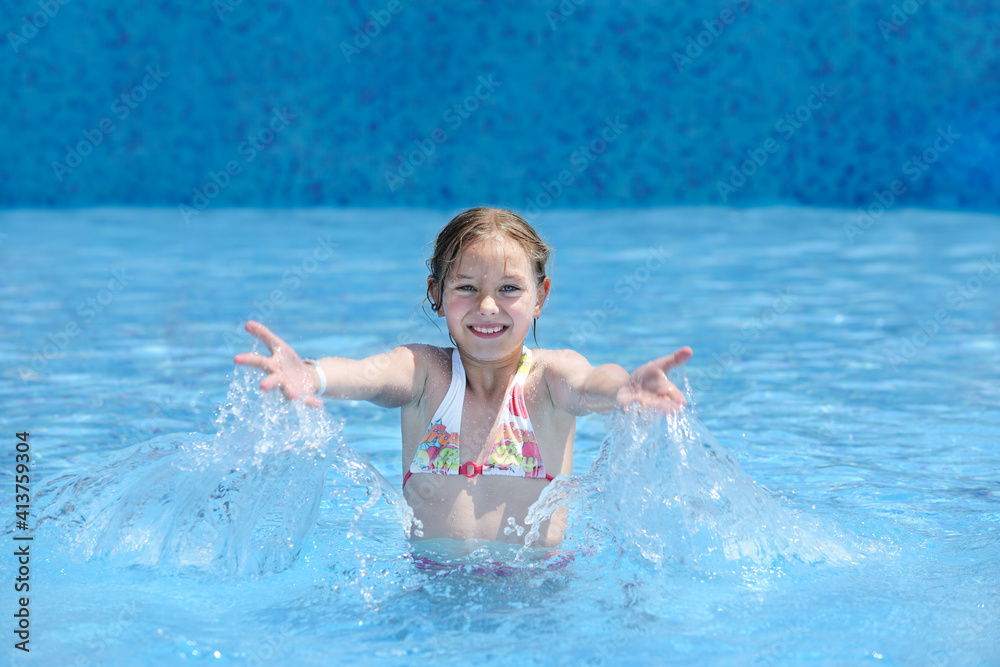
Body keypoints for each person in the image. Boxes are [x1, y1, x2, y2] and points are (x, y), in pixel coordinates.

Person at [234, 207, 692, 547]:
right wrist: (314, 376)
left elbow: (591, 382)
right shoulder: (426, 374)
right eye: (466, 287)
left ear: (540, 296)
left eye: (509, 288)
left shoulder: (548, 378)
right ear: (437, 293)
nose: (487, 306)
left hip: (536, 594)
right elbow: (368, 376)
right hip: (431, 592)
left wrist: (623, 389)